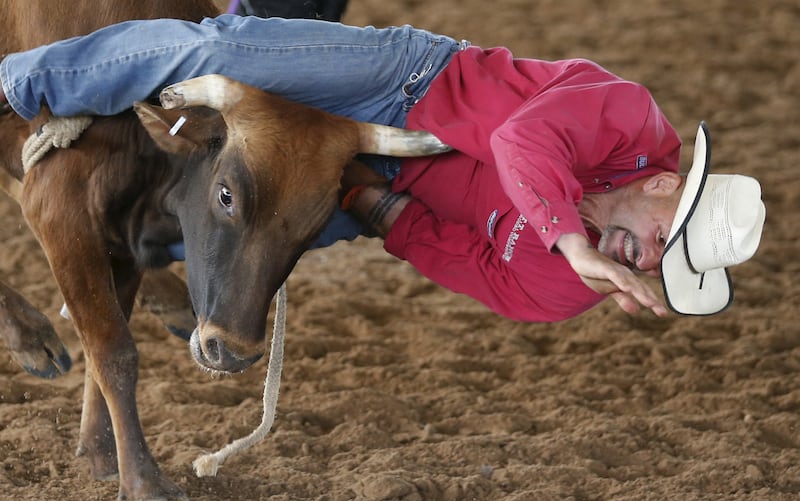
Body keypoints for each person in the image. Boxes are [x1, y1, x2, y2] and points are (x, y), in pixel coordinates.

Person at [0, 15, 765, 322]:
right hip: (408, 81)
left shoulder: (565, 291)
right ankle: (21, 82)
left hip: (386, 183)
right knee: (220, 52)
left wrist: (361, 195)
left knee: (251, 232)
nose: (654, 262)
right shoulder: (630, 115)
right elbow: (521, 144)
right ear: (666, 184)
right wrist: (574, 239)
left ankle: (135, 256)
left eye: (671, 268)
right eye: (671, 238)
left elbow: (458, 259)